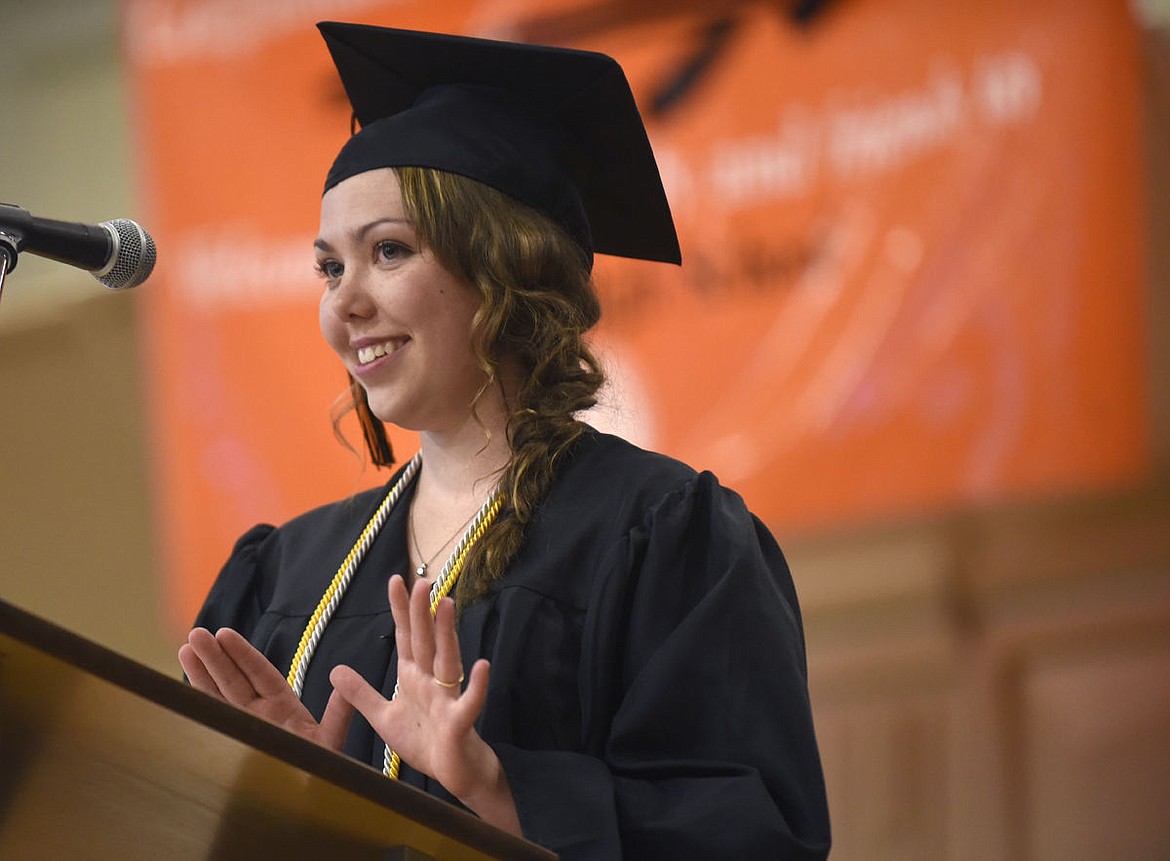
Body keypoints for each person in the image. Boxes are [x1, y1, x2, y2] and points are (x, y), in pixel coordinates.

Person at [178, 21, 831, 860]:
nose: (344, 305)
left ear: (505, 271)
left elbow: (755, 837)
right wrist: (287, 806)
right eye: (330, 268)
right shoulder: (284, 572)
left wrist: (496, 788)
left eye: (387, 251)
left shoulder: (665, 538)